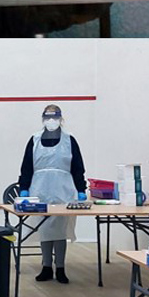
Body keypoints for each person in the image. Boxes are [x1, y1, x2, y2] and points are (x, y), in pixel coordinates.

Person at [17, 104, 88, 284]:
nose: (51, 121)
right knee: (44, 229)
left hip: (63, 190)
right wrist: (24, 187)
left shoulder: (69, 141)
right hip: (40, 189)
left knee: (60, 230)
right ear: (43, 119)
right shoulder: (34, 140)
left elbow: (77, 167)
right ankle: (46, 266)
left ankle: (61, 267)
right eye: (47, 118)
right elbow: (26, 166)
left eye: (54, 118)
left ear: (60, 119)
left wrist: (81, 189)